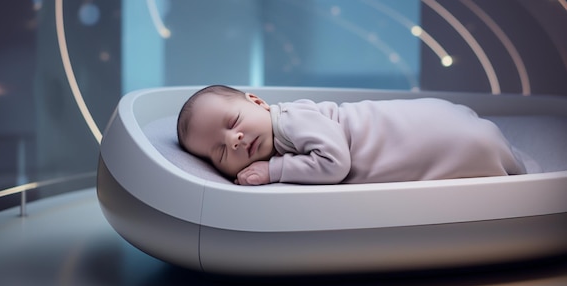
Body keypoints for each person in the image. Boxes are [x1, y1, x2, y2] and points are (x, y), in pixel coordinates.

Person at [177, 85, 527, 186]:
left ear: (258, 101)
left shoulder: (288, 120)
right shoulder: (278, 133)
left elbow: (335, 162)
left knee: (467, 149)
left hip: (432, 132)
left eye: (234, 121)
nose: (234, 140)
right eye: (220, 152)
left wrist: (274, 171)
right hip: (442, 117)